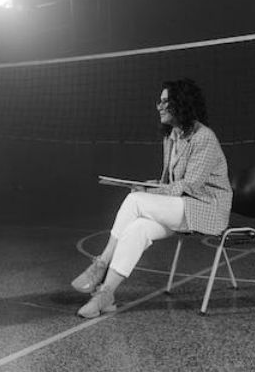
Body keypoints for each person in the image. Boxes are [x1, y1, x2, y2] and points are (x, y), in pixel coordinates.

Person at [71, 78, 232, 318]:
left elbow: (189, 185)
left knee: (136, 200)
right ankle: (106, 294)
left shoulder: (204, 137)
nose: (159, 106)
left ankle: (101, 264)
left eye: (166, 101)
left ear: (182, 104)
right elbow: (169, 182)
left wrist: (148, 193)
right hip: (182, 207)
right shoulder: (171, 137)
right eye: (160, 101)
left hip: (206, 209)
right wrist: (148, 185)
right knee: (138, 228)